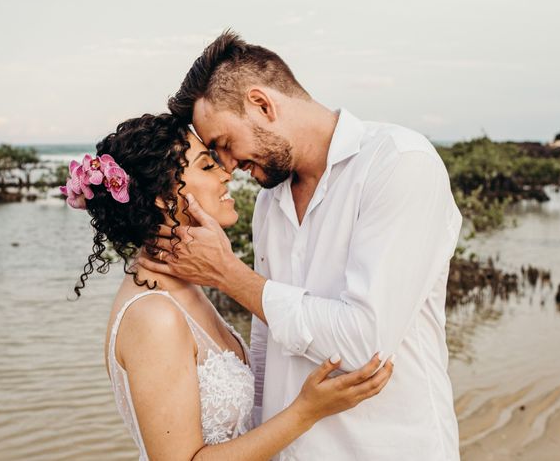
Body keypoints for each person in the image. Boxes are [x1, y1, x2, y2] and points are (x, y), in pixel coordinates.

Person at [138, 31, 463, 460]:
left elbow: (365, 344)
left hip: (384, 447)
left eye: (223, 144)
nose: (228, 166)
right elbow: (264, 339)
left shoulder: (399, 163)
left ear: (262, 104)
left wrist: (229, 275)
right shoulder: (270, 203)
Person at [64, 113, 393, 461]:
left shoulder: (185, 288)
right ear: (163, 197)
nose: (226, 175)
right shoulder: (154, 315)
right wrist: (306, 411)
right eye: (208, 166)